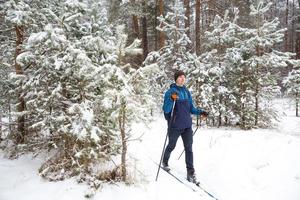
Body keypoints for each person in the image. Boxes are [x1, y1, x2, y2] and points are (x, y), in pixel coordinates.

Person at [162, 70, 208, 184]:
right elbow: (166, 110)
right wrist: (171, 99)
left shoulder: (187, 92)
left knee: (189, 149)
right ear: (176, 79)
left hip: (187, 126)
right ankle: (165, 161)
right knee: (171, 145)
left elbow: (191, 109)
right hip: (175, 126)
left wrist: (201, 112)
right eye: (180, 77)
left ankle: (191, 173)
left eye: (184, 77)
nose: (183, 79)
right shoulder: (170, 92)